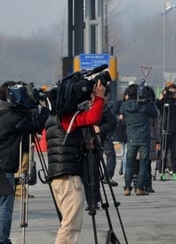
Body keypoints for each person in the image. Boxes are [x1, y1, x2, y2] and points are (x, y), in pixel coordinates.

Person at [45, 78, 106, 244]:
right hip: (68, 176)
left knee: (68, 220)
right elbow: (92, 118)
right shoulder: (68, 118)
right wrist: (99, 98)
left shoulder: (53, 118)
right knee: (71, 224)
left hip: (58, 175)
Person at [0, 82, 49, 244]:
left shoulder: (5, 113)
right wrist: (45, 109)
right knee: (5, 206)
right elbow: (35, 126)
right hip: (4, 166)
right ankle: (2, 239)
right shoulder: (11, 116)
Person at [119, 83, 159, 196]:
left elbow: (122, 117)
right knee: (143, 164)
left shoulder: (124, 105)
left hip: (131, 138)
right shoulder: (144, 105)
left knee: (130, 164)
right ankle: (139, 188)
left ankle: (127, 188)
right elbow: (154, 113)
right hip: (144, 138)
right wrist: (146, 101)